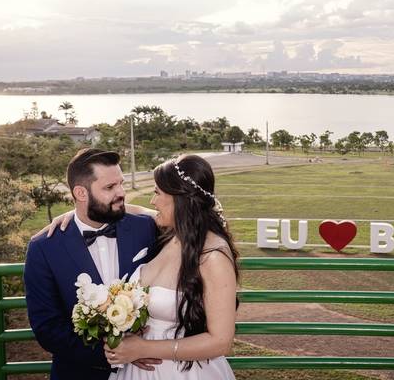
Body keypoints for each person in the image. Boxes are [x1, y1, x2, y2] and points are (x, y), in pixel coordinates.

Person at [43, 154, 239, 379]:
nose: (153, 201)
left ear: (180, 198)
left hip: (182, 372)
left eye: (157, 192)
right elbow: (133, 210)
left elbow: (221, 341)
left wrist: (142, 349)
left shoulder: (213, 255)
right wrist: (78, 212)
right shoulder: (169, 234)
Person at [24, 148, 159, 380]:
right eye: (109, 188)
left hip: (148, 372)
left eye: (121, 184)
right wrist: (113, 353)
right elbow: (47, 328)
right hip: (80, 373)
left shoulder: (146, 228)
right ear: (81, 193)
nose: (121, 193)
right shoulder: (43, 248)